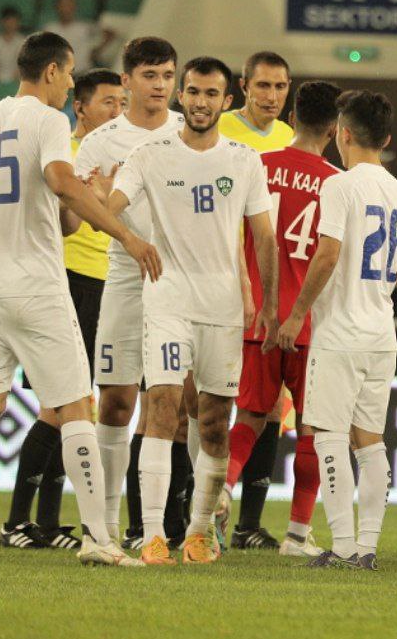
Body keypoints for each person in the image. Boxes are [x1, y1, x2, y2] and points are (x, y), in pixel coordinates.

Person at [0, 30, 159, 566]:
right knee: (75, 407)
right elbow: (60, 181)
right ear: (51, 71)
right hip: (37, 288)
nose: (70, 83)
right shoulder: (48, 121)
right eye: (68, 73)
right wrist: (125, 234)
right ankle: (98, 538)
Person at [109, 55, 278, 566]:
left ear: (227, 101)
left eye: (211, 94)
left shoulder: (245, 160)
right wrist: (126, 235)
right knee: (162, 409)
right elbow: (110, 206)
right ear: (181, 96)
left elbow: (263, 237)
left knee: (215, 424)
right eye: (194, 92)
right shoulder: (149, 154)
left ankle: (200, 532)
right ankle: (153, 534)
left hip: (223, 310)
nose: (201, 103)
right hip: (168, 300)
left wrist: (269, 304)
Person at [274, 89, 397, 570]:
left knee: (328, 434)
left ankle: (341, 545)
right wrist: (375, 282)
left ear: (342, 134)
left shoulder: (340, 186)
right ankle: (367, 547)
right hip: (381, 333)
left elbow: (328, 253)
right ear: (385, 139)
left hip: (339, 332)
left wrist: (297, 313)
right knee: (370, 439)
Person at [0, 68, 124, 550]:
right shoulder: (62, 153)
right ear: (81, 107)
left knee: (75, 408)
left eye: (121, 102)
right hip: (69, 282)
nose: (117, 111)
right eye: (108, 102)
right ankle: (16, 521)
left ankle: (48, 524)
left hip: (107, 286)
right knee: (58, 408)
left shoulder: (121, 158)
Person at [71, 38, 185, 548]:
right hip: (122, 275)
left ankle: (168, 525)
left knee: (172, 405)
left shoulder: (188, 132)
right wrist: (99, 201)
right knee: (116, 402)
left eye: (167, 76)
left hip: (179, 281)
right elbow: (83, 215)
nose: (160, 86)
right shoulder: (100, 142)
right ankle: (106, 525)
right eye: (149, 75)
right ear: (127, 81)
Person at [220, 80, 342, 559]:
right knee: (312, 427)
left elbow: (230, 237)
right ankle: (296, 534)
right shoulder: (336, 182)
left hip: (259, 318)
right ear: (334, 129)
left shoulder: (258, 165)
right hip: (309, 324)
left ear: (292, 116)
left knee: (251, 416)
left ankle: (222, 491)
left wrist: (250, 296)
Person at [212, 50, 297, 550]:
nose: (272, 96)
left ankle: (247, 523)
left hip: (268, 288)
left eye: (280, 87)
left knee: (269, 406)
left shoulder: (289, 139)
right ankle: (191, 508)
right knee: (208, 402)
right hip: (219, 283)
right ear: (244, 86)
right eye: (263, 85)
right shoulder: (218, 131)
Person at [42, 0, 110, 75]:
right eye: (63, 5)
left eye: (69, 5)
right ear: (57, 7)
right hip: (59, 75)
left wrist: (97, 51)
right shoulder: (50, 28)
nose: (66, 8)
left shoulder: (85, 27)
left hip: (82, 73)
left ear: (74, 7)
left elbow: (109, 34)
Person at [0, 7, 26, 82]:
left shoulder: (22, 41)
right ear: (2, 22)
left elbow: (22, 64)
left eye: (13, 21)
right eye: (8, 21)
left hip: (16, 76)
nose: (10, 24)